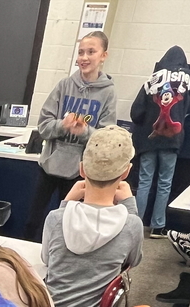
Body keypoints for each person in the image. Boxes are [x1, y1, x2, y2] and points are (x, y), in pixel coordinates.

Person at [41, 125, 143, 307]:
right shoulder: (131, 224)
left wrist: (66, 203)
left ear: (81, 169)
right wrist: (129, 206)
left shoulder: (56, 218)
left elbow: (46, 259)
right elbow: (134, 260)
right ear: (125, 173)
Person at [24, 32, 116, 242]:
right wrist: (62, 125)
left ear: (103, 55)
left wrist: (84, 132)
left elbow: (106, 139)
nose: (84, 57)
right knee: (33, 222)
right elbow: (44, 126)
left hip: (79, 172)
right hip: (49, 167)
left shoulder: (108, 93)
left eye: (91, 52)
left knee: (67, 227)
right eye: (81, 52)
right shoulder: (64, 86)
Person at [130, 46, 190, 237]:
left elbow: (136, 112)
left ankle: (136, 224)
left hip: (149, 139)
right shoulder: (189, 77)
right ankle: (158, 226)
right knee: (165, 182)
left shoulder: (153, 77)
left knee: (144, 181)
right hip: (172, 139)